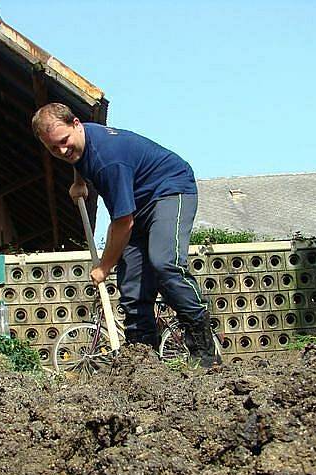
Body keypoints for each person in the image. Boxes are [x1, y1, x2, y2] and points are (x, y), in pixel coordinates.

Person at [32, 103, 219, 367]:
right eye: (53, 148)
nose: (62, 150)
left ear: (76, 124)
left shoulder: (109, 161)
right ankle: (144, 362)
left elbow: (122, 223)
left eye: (64, 141)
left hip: (169, 190)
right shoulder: (81, 144)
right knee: (132, 288)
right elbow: (78, 158)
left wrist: (104, 267)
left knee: (165, 264)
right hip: (137, 205)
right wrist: (79, 181)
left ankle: (205, 351)